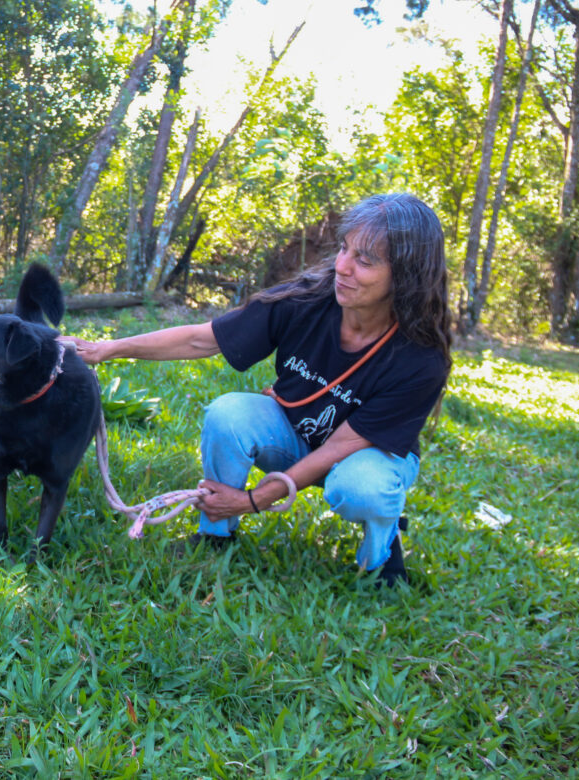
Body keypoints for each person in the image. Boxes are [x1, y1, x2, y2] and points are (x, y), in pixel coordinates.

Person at [59, 193, 451, 587]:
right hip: (297, 435)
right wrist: (108, 349)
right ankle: (215, 534)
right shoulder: (307, 300)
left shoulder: (420, 358)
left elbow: (337, 449)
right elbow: (202, 339)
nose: (342, 267)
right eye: (345, 249)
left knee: (361, 488)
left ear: (405, 276)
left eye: (365, 261)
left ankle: (382, 558)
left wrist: (252, 501)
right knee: (228, 413)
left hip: (363, 457)